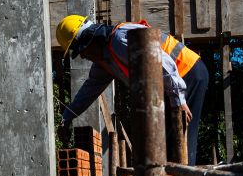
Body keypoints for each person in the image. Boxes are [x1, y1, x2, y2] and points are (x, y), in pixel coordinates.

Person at [56, 15, 209, 165]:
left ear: (89, 40)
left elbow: (163, 63)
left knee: (178, 140)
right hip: (172, 82)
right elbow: (89, 91)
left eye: (80, 50)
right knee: (164, 143)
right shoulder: (105, 60)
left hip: (186, 73)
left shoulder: (120, 39)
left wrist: (178, 99)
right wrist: (67, 116)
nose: (82, 56)